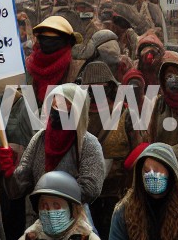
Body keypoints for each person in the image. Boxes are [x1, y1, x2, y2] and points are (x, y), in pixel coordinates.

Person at [7, 83, 106, 216]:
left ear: (78, 110)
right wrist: (9, 172)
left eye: (66, 104)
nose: (58, 108)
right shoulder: (39, 140)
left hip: (74, 219)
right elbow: (18, 188)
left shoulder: (88, 144)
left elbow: (90, 189)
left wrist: (54, 199)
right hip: (38, 219)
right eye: (55, 103)